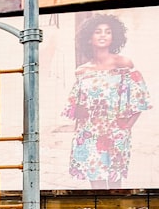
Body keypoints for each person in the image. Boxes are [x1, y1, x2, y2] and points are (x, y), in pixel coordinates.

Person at [63, 13, 150, 189]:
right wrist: (79, 135)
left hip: (115, 132)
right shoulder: (82, 71)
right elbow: (78, 108)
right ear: (89, 38)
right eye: (98, 32)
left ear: (114, 37)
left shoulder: (123, 63)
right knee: (96, 184)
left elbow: (139, 100)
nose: (103, 35)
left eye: (108, 32)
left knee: (114, 182)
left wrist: (125, 127)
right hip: (89, 133)